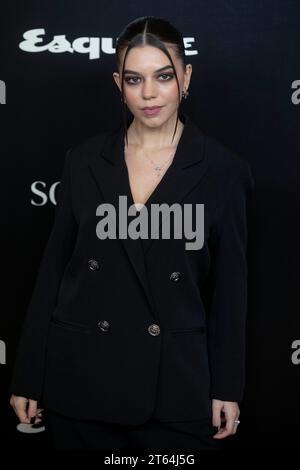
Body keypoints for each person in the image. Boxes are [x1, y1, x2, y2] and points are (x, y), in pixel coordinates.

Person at [10, 16, 254, 450]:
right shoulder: (83, 160)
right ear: (117, 83)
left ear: (186, 76)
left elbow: (229, 290)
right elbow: (53, 272)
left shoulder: (223, 170)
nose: (148, 94)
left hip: (176, 388)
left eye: (163, 76)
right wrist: (28, 374)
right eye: (133, 79)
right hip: (80, 380)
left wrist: (228, 386)